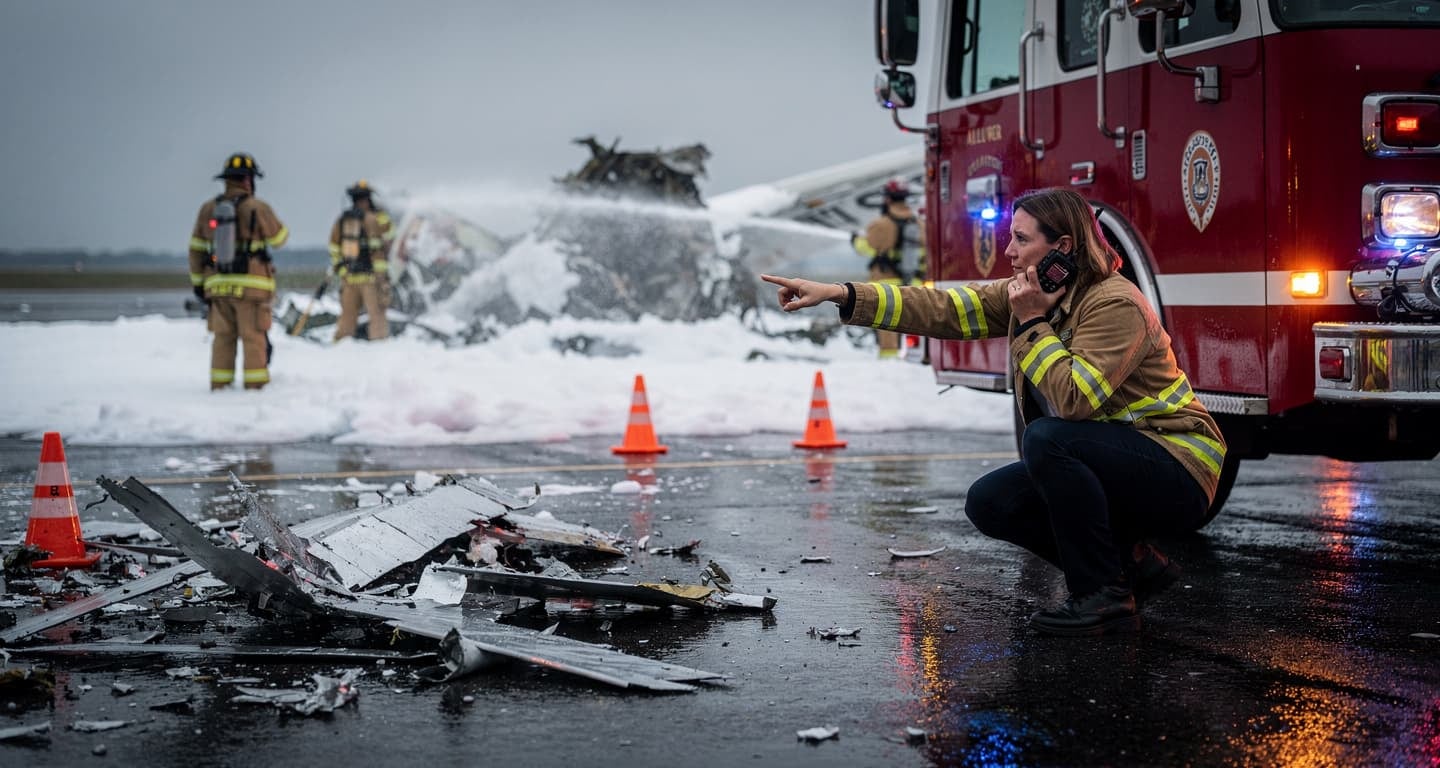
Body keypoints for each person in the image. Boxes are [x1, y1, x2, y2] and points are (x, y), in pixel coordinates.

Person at [762, 187, 1226, 637]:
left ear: (1062, 247)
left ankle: (1101, 597)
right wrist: (841, 294)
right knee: (991, 501)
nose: (1008, 251)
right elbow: (943, 308)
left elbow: (1073, 400)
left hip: (1180, 466)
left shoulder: (1113, 303)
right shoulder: (1037, 291)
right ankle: (1132, 568)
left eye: (1021, 240)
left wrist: (1031, 322)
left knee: (1048, 438)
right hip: (1119, 460)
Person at [188, 152, 288, 390]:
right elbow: (279, 238)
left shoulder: (207, 210)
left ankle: (220, 387)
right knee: (253, 338)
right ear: (247, 181)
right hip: (251, 290)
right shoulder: (257, 207)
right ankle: (255, 390)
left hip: (217, 287)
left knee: (223, 339)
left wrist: (199, 284)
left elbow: (195, 250)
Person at [850, 178, 920, 358]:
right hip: (915, 284)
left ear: (887, 199)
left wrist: (855, 240)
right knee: (916, 327)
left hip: (885, 285)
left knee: (887, 329)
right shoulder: (919, 223)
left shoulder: (881, 224)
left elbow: (866, 248)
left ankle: (889, 364)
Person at [329, 180, 391, 341]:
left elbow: (334, 248)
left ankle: (340, 349)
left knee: (346, 319)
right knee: (377, 318)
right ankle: (380, 347)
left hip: (350, 278)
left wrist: (342, 271)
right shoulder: (374, 219)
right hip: (371, 279)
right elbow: (389, 236)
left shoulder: (342, 221)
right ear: (367, 200)